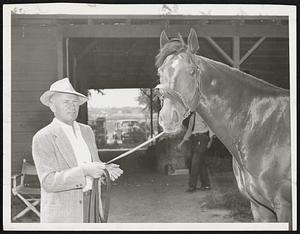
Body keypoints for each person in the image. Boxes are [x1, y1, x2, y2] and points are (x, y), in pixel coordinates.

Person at [32, 78, 123, 223]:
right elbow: (48, 182)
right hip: (64, 213)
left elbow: (95, 163)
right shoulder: (43, 137)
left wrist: (105, 169)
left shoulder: (86, 131)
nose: (72, 106)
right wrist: (85, 171)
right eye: (66, 102)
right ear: (52, 106)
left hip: (92, 205)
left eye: (75, 102)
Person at [176, 112, 215, 193]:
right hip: (194, 139)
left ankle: (192, 186)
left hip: (203, 138)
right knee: (201, 163)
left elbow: (210, 127)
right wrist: (181, 143)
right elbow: (189, 131)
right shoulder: (192, 117)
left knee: (195, 161)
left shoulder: (204, 114)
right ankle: (206, 185)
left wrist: (210, 141)